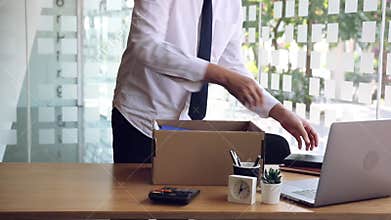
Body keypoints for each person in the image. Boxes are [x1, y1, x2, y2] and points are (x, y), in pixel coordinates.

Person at [112, 0, 318, 163]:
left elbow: (233, 66)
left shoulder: (232, 4)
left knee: (178, 204)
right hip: (139, 118)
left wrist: (279, 112)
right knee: (133, 203)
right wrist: (219, 74)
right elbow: (146, 46)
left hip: (183, 126)